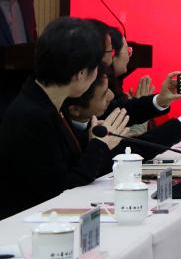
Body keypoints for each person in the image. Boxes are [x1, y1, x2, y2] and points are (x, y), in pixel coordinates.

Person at [0, 17, 131, 219]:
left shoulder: (49, 101)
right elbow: (60, 190)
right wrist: (99, 146)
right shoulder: (32, 116)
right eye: (95, 67)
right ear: (80, 73)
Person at [62, 65, 181, 164]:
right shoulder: (63, 133)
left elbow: (126, 109)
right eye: (104, 94)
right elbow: (136, 149)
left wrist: (160, 100)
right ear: (75, 109)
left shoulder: (92, 112)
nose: (111, 96)